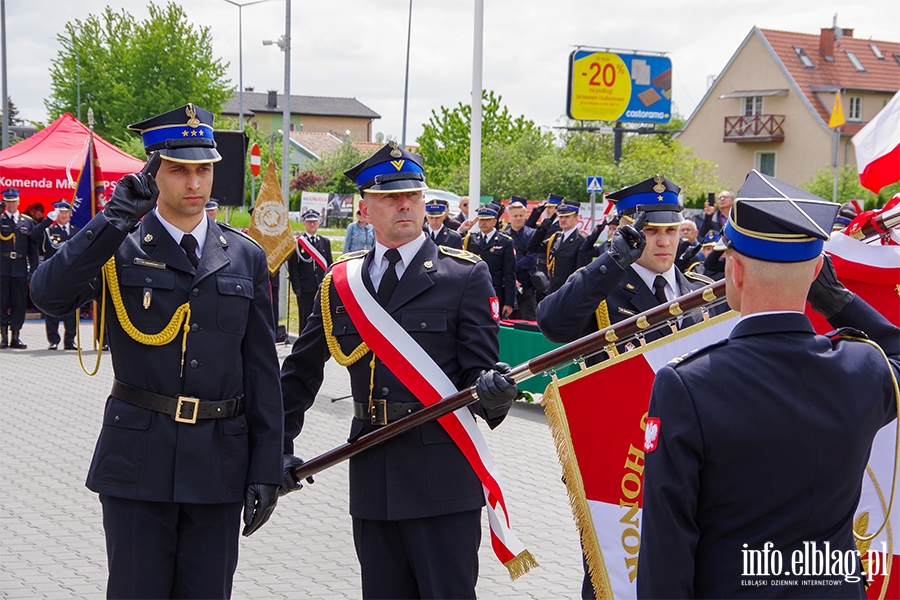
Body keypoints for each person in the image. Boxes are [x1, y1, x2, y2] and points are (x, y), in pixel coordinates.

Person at [30, 103, 284, 599]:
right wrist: (112, 221)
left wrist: (266, 467)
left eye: (204, 169)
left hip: (219, 461)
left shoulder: (246, 255)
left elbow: (261, 372)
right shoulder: (119, 244)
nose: (194, 182)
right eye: (179, 170)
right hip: (138, 460)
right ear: (152, 171)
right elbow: (48, 295)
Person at [637, 171, 899, 598]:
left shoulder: (688, 384)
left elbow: (667, 548)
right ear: (817, 270)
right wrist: (841, 303)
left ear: (734, 271)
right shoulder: (862, 368)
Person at [279, 141, 519, 599]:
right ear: (365, 208)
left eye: (412, 194)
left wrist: (495, 394)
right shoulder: (342, 282)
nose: (404, 205)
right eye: (389, 197)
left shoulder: (464, 276)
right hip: (373, 470)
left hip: (443, 475)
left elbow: (480, 381)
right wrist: (275, 449)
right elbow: (299, 374)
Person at [30, 200, 81, 349]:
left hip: (71, 275)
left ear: (70, 214)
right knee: (51, 308)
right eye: (61, 212)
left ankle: (70, 340)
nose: (64, 215)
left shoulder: (76, 230)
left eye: (66, 212)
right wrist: (47, 221)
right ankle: (53, 340)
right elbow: (33, 235)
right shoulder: (49, 231)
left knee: (72, 308)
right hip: (53, 274)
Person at [527, 199, 596, 293]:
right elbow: (532, 247)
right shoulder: (555, 238)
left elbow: (582, 274)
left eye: (567, 217)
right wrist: (541, 231)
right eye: (561, 217)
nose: (563, 220)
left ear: (576, 219)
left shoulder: (581, 241)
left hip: (569, 292)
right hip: (552, 291)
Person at [461, 202, 517, 318]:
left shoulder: (505, 241)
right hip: (473, 292)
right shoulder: (471, 238)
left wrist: (509, 302)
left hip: (495, 293)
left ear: (495, 221)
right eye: (481, 220)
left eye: (487, 220)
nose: (483, 223)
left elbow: (509, 274)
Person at [0, 188, 39, 349]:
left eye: (13, 201)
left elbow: (32, 249)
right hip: (2, 268)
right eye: (7, 202)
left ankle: (16, 336)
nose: (10, 205)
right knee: (2, 302)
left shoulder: (27, 221)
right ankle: (3, 337)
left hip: (20, 268)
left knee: (18, 303)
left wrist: (34, 270)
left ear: (18, 202)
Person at [287, 209, 333, 330]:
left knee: (323, 319)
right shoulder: (298, 243)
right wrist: (297, 288)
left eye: (314, 222)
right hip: (305, 287)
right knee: (305, 318)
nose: (312, 224)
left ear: (318, 223)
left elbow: (330, 265)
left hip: (321, 286)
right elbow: (293, 267)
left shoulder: (325, 242)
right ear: (304, 224)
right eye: (309, 222)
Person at [503, 196, 538, 320]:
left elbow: (531, 259)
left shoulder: (533, 234)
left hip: (526, 285)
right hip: (507, 287)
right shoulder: (502, 236)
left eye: (520, 215)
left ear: (525, 216)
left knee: (527, 321)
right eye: (515, 216)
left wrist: (511, 269)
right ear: (509, 217)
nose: (518, 218)